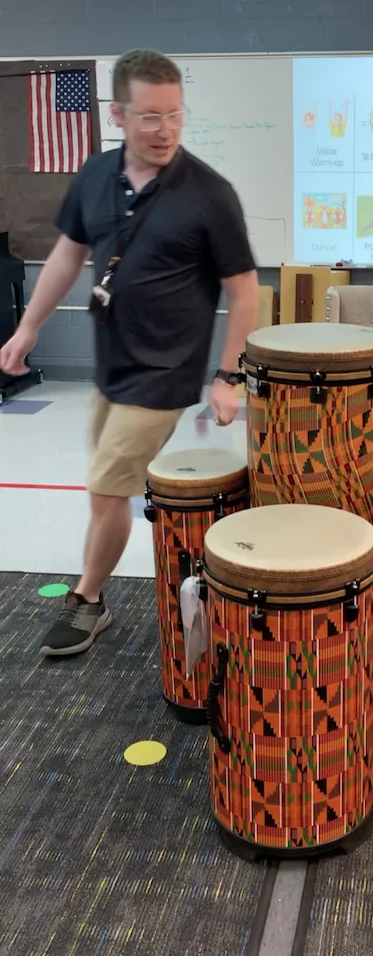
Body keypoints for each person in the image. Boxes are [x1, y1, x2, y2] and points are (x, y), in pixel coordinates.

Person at [0, 49, 259, 658]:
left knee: (108, 487)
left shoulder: (209, 194)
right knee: (104, 489)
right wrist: (30, 327)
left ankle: (88, 600)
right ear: (117, 113)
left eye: (174, 114)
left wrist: (228, 377)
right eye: (149, 116)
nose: (165, 129)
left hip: (165, 373)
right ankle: (102, 591)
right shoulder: (95, 175)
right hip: (111, 367)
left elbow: (244, 291)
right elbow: (67, 255)